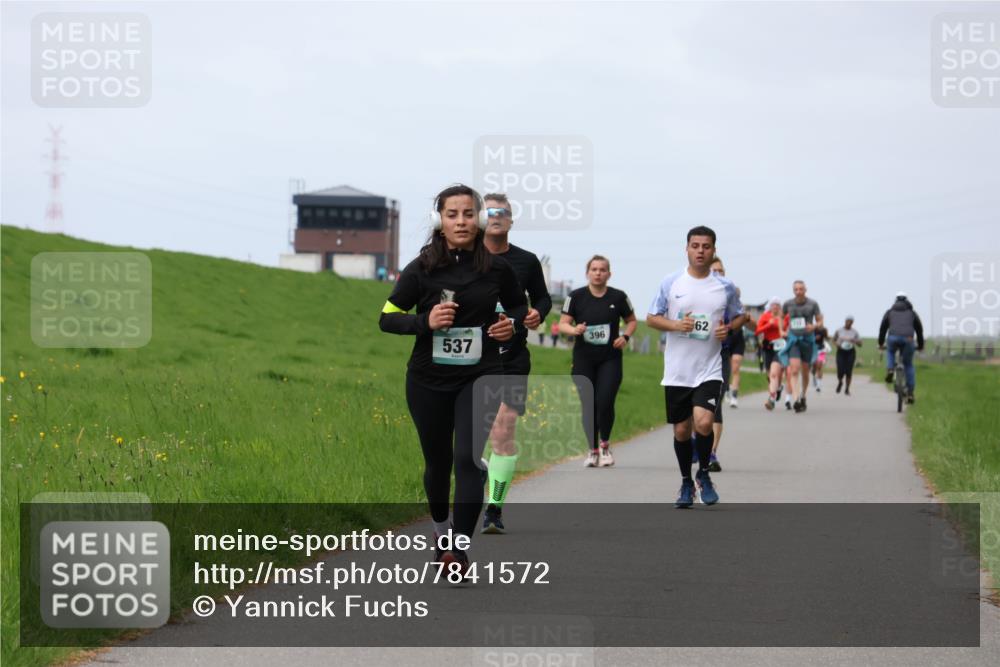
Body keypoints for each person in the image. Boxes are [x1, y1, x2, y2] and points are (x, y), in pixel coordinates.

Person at [378, 184, 526, 573]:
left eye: (467, 214)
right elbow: (387, 317)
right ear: (439, 221)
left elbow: (518, 306)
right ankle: (442, 532)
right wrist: (423, 321)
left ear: (479, 220)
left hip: (480, 376)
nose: (461, 221)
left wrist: (510, 325)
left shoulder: (497, 268)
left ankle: (459, 548)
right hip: (427, 380)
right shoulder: (422, 268)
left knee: (467, 458)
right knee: (438, 462)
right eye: (452, 214)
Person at [647, 226, 745, 508]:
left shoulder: (725, 287)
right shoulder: (671, 282)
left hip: (710, 368)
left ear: (713, 250)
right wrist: (676, 325)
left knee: (703, 422)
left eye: (706, 246)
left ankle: (703, 473)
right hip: (678, 370)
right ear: (687, 249)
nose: (700, 251)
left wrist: (729, 328)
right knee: (681, 430)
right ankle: (686, 482)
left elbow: (740, 317)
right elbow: (652, 318)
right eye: (695, 245)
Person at [480, 193, 552, 534]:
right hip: (469, 359)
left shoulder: (526, 261)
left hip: (512, 357)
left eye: (503, 212)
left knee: (503, 427)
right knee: (468, 438)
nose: (496, 217)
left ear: (511, 220)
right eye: (490, 211)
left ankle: (494, 509)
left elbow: (542, 297)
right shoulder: (463, 258)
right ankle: (479, 472)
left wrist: (539, 312)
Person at [560, 255, 637, 468]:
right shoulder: (575, 296)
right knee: (589, 404)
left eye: (602, 270)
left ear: (609, 274)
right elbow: (563, 323)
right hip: (584, 358)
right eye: (594, 269)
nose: (598, 273)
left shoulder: (618, 297)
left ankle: (604, 446)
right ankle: (592, 450)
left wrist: (625, 337)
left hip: (610, 359)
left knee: (604, 401)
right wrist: (574, 329)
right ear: (587, 273)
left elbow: (631, 321)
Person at [782, 281, 823, 413]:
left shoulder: (813, 304)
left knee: (805, 370)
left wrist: (815, 326)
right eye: (796, 289)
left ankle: (803, 395)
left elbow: (820, 320)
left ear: (805, 290)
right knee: (794, 369)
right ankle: (796, 399)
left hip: (807, 340)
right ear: (793, 291)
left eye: (801, 289)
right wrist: (781, 331)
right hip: (793, 339)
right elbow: (780, 318)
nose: (798, 291)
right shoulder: (788, 303)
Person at [878, 292, 925, 404]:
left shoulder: (889, 312)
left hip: (893, 337)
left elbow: (883, 328)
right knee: (908, 364)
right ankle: (910, 393)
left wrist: (880, 343)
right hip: (908, 339)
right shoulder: (912, 313)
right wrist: (921, 345)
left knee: (890, 351)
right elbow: (919, 330)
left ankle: (890, 369)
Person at [755, 297, 788, 410]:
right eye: (773, 305)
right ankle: (778, 388)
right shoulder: (765, 316)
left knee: (774, 373)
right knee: (771, 376)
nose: (775, 307)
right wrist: (769, 324)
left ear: (780, 307)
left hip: (781, 349)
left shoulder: (785, 317)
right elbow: (757, 331)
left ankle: (771, 399)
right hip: (768, 347)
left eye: (778, 305)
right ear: (770, 306)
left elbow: (789, 329)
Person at [833, 315, 862, 395]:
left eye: (850, 321)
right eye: (847, 321)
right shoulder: (839, 330)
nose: (849, 323)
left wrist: (855, 340)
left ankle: (847, 389)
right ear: (845, 321)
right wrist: (837, 344)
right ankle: (840, 382)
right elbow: (834, 340)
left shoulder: (855, 332)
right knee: (840, 370)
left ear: (852, 323)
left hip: (850, 352)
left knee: (849, 371)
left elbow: (860, 344)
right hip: (841, 351)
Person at [811, 323, 831, 392]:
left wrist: (829, 337)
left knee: (819, 366)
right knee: (814, 366)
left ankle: (818, 386)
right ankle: (814, 376)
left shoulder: (824, 329)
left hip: (821, 350)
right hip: (813, 350)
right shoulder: (812, 328)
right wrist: (814, 338)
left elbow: (827, 338)